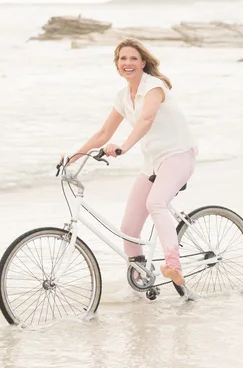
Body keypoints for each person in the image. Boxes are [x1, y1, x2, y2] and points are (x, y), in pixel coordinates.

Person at [67, 38, 197, 285]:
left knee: (156, 202)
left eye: (133, 59)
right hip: (153, 163)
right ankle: (142, 277)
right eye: (122, 59)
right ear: (117, 65)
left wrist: (123, 147)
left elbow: (146, 120)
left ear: (143, 63)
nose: (127, 63)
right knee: (128, 227)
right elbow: (103, 134)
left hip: (178, 154)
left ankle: (173, 265)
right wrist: (71, 159)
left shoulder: (154, 87)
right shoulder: (123, 97)